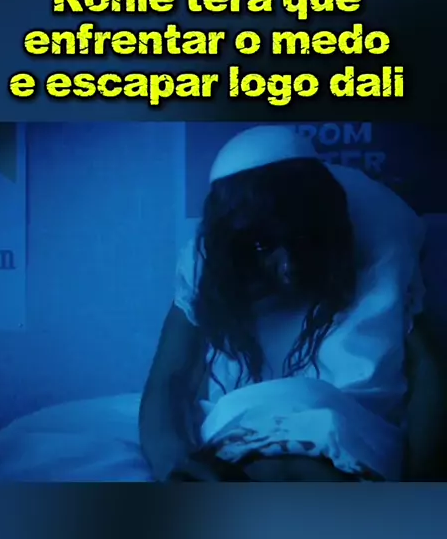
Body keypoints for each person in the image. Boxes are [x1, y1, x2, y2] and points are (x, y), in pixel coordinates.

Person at [140, 125, 445, 482]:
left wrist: (420, 482)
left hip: (348, 428)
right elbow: (169, 379)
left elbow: (429, 371)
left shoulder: (381, 235)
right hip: (240, 429)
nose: (289, 268)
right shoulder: (207, 267)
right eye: (262, 246)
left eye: (303, 241)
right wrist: (173, 461)